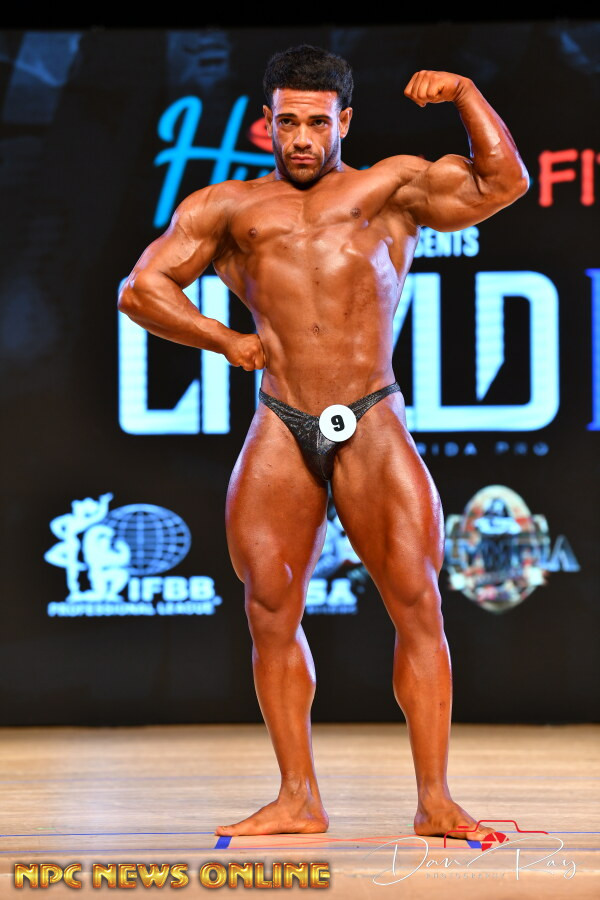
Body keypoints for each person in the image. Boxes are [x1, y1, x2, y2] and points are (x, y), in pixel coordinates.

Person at [118, 45, 528, 840]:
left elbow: (501, 183)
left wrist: (467, 93)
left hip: (372, 414)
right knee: (269, 609)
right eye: (286, 123)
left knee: (417, 603)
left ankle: (436, 800)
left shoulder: (390, 189)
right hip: (281, 418)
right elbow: (141, 289)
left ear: (344, 122)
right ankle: (298, 798)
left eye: (315, 122)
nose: (301, 137)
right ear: (265, 124)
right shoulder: (228, 209)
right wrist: (224, 340)